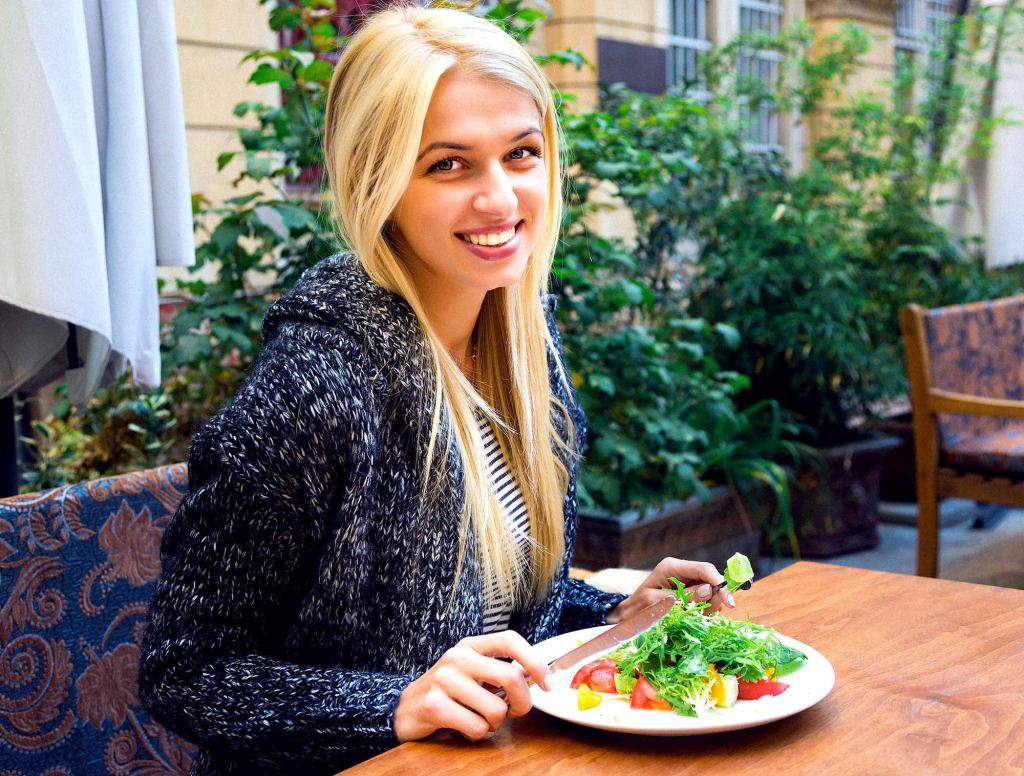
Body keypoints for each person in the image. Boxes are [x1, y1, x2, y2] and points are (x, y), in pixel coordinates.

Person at [140, 6, 732, 774]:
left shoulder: (522, 340)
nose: (499, 199)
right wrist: (390, 706)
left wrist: (615, 611)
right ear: (377, 181)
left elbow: (491, 617)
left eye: (521, 153)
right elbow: (186, 672)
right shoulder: (315, 387)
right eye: (448, 164)